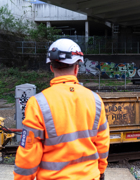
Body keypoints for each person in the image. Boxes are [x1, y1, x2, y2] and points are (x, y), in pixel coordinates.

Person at [13, 39, 110, 180]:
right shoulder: (95, 100)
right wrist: (100, 171)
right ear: (77, 68)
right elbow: (103, 143)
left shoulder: (38, 103)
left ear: (51, 67)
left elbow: (28, 152)